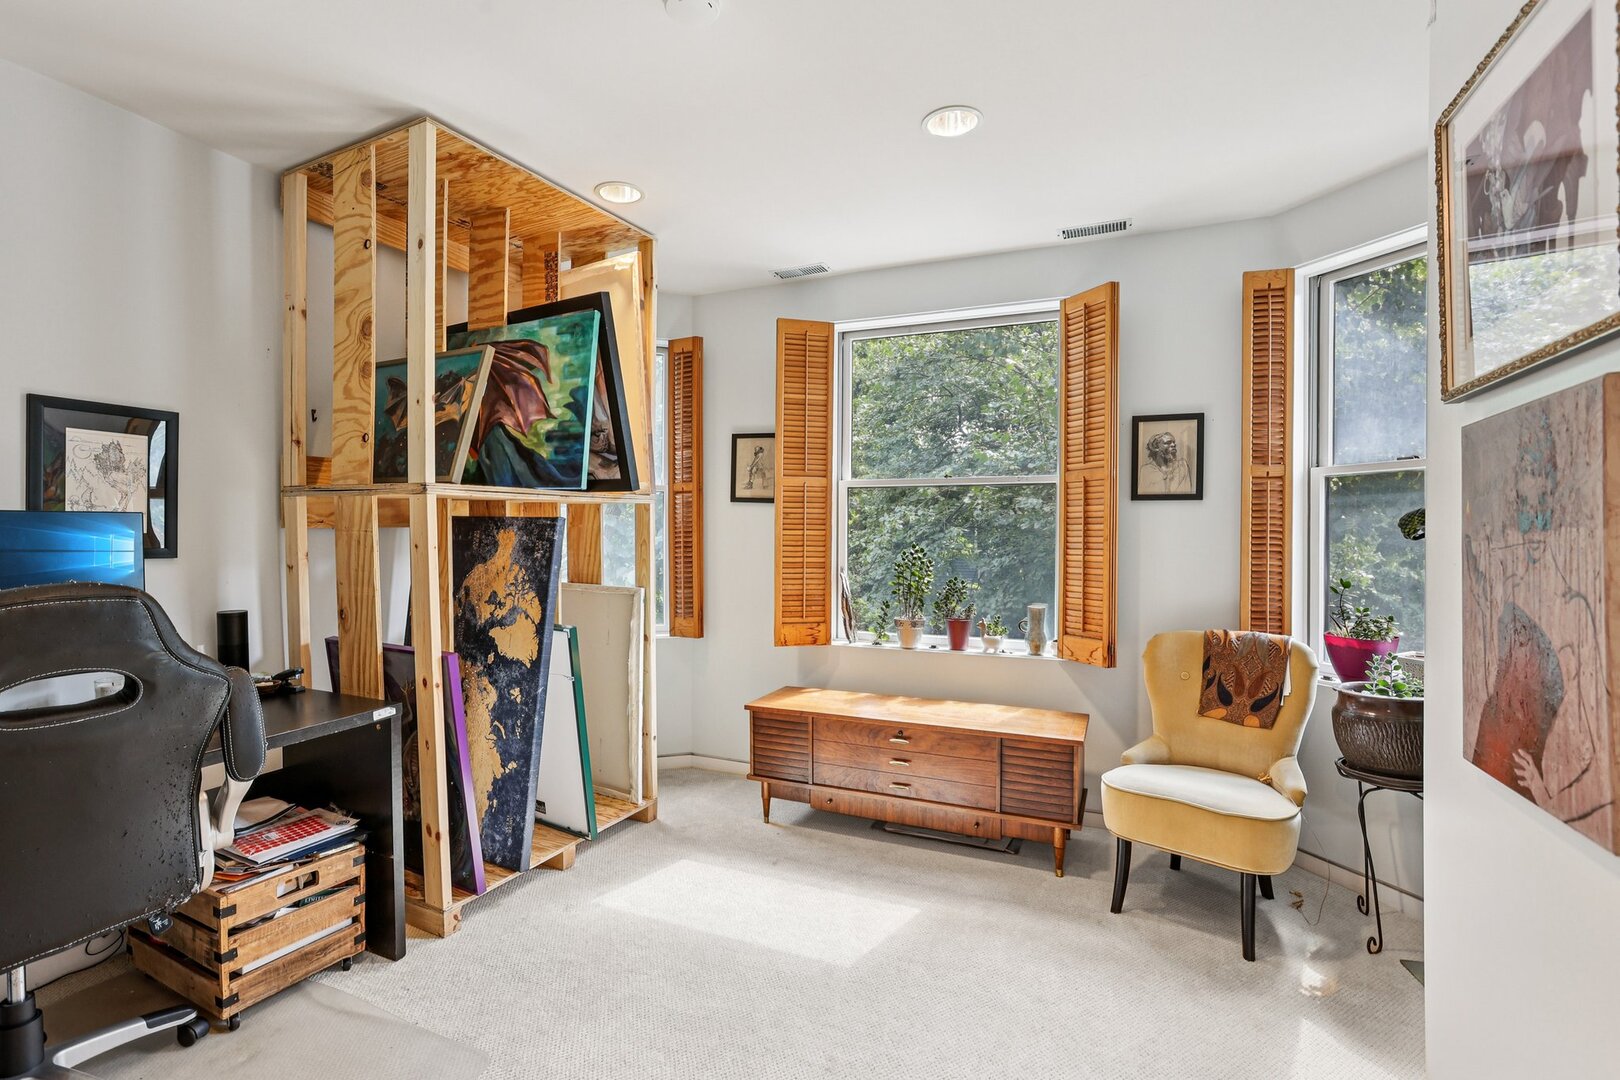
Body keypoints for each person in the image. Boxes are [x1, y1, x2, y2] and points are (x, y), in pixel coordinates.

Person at [1138, 430, 1193, 495]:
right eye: (1168, 443)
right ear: (1156, 447)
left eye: (1173, 442)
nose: (1173, 445)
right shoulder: (1146, 470)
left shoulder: (1182, 466)